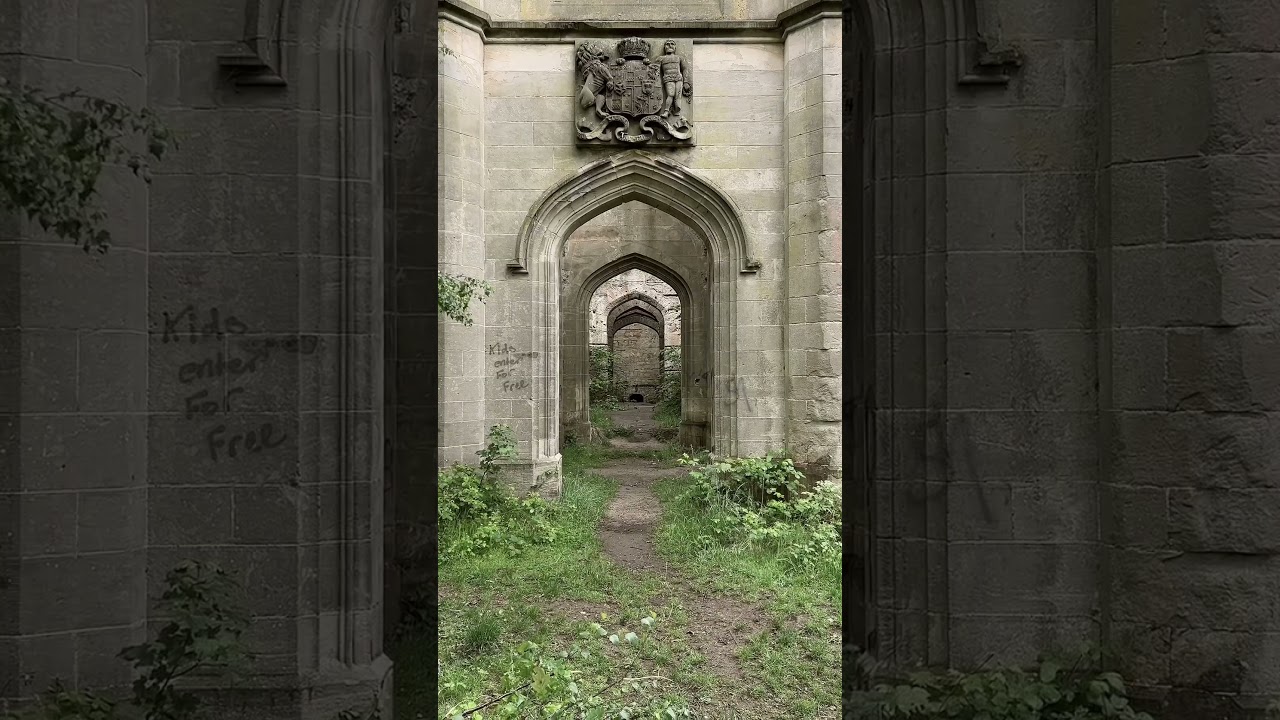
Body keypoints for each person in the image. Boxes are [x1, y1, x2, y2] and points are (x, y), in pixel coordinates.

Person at [656, 40, 691, 119]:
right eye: (667, 44)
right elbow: (654, 69)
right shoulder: (661, 58)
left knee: (677, 96)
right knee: (670, 94)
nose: (670, 46)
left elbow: (685, 69)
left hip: (678, 78)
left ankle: (676, 111)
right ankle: (666, 111)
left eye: (672, 44)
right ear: (664, 47)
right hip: (668, 78)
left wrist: (686, 82)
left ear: (675, 47)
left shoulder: (679, 58)